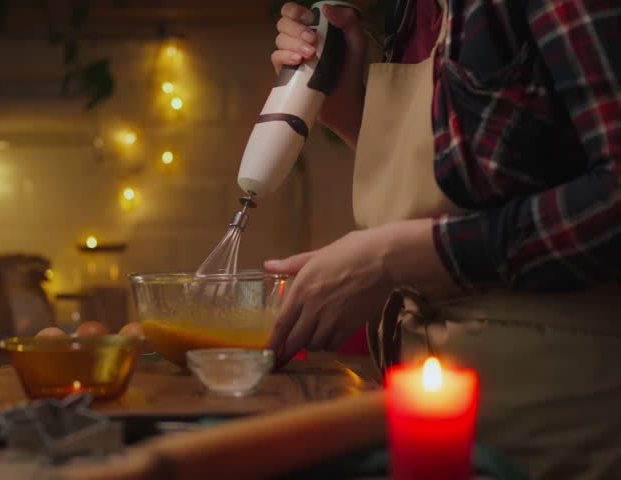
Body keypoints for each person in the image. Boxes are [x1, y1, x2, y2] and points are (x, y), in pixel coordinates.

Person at [264, 1, 621, 478]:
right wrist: (350, 113)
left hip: (562, 425)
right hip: (433, 422)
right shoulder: (414, 11)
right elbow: (485, 178)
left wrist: (390, 259)